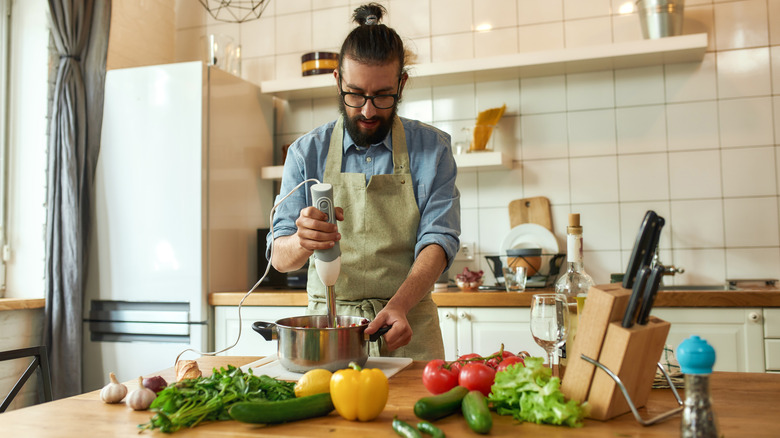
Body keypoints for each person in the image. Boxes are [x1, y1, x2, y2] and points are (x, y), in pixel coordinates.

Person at [268, 3, 460, 360]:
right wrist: (302, 240)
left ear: (401, 84)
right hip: (329, 331)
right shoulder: (305, 153)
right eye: (355, 94)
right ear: (338, 81)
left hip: (408, 328)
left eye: (383, 95)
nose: (368, 110)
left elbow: (439, 239)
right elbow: (280, 258)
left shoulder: (432, 150)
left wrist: (400, 305)